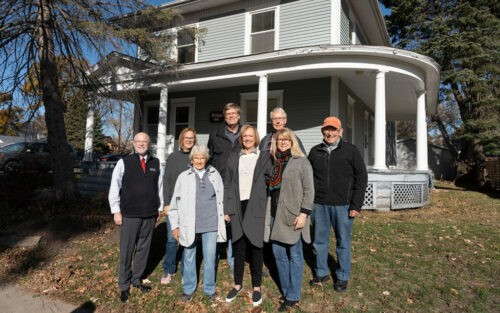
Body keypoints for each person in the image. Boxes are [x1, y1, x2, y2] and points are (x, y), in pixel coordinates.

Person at [308, 117, 367, 292]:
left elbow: (361, 178)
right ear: (322, 131)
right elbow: (307, 177)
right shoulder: (314, 152)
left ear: (340, 131)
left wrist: (356, 205)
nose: (330, 133)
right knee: (319, 242)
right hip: (319, 205)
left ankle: (342, 276)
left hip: (343, 206)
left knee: (343, 243)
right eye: (327, 129)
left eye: (334, 129)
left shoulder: (351, 151)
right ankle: (321, 272)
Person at [108, 132, 163, 303]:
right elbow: (114, 187)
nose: (141, 144)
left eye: (144, 141)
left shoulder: (156, 163)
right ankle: (124, 285)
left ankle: (136, 279)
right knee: (126, 251)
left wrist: (159, 207)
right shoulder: (124, 162)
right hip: (129, 214)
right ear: (133, 143)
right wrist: (116, 210)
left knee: (143, 249)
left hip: (149, 214)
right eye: (138, 141)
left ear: (149, 143)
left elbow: (159, 187)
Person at [263, 128, 314, 312]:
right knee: (278, 254)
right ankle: (286, 291)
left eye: (286, 140)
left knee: (295, 255)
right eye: (280, 140)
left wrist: (304, 214)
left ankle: (293, 295)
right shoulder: (276, 163)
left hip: (294, 216)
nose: (283, 142)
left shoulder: (302, 162)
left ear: (292, 142)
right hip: (276, 215)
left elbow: (309, 191)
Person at [168, 145, 227, 302]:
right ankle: (188, 289)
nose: (199, 161)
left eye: (202, 158)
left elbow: (222, 198)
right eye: (196, 158)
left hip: (211, 223)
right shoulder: (184, 176)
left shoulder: (215, 174)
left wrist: (225, 215)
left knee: (209, 258)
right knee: (188, 256)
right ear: (191, 159)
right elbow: (174, 204)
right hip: (189, 224)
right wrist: (175, 225)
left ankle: (209, 289)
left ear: (206, 159)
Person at [223, 125, 271, 306]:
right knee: (239, 246)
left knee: (256, 246)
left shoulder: (263, 156)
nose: (248, 139)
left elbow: (270, 179)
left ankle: (257, 287)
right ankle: (237, 285)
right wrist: (227, 208)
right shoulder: (234, 156)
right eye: (245, 136)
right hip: (237, 204)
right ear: (241, 138)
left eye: (251, 136)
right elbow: (227, 183)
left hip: (255, 205)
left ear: (255, 138)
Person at [207, 102, 242, 276]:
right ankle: (214, 256)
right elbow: (209, 159)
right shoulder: (215, 135)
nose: (231, 116)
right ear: (224, 116)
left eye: (234, 113)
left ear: (239, 116)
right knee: (217, 221)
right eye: (228, 114)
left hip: (240, 186)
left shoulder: (246, 135)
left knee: (235, 223)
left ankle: (233, 259)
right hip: (218, 185)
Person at [160, 128, 197, 285]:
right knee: (171, 240)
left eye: (192, 138)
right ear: (181, 139)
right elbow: (166, 181)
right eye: (186, 138)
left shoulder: (196, 157)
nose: (189, 140)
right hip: (174, 205)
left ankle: (186, 271)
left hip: (191, 205)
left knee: (188, 239)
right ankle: (169, 269)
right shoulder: (173, 157)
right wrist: (166, 203)